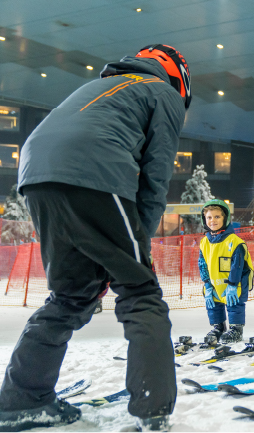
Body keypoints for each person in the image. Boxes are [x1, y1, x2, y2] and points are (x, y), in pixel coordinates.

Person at [0, 44, 190, 431]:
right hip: (95, 170)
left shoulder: (100, 87)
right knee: (140, 292)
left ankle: (22, 399)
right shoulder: (163, 93)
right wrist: (139, 245)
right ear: (179, 77)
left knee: (70, 296)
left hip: (37, 175)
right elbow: (156, 177)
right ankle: (152, 409)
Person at [198, 199, 254, 344]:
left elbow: (238, 264)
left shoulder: (234, 241)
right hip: (215, 282)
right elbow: (202, 263)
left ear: (226, 218)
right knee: (214, 304)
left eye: (217, 217)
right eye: (209, 217)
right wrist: (207, 284)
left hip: (234, 282)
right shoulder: (204, 242)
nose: (213, 220)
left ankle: (236, 329)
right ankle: (218, 327)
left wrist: (233, 284)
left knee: (234, 304)